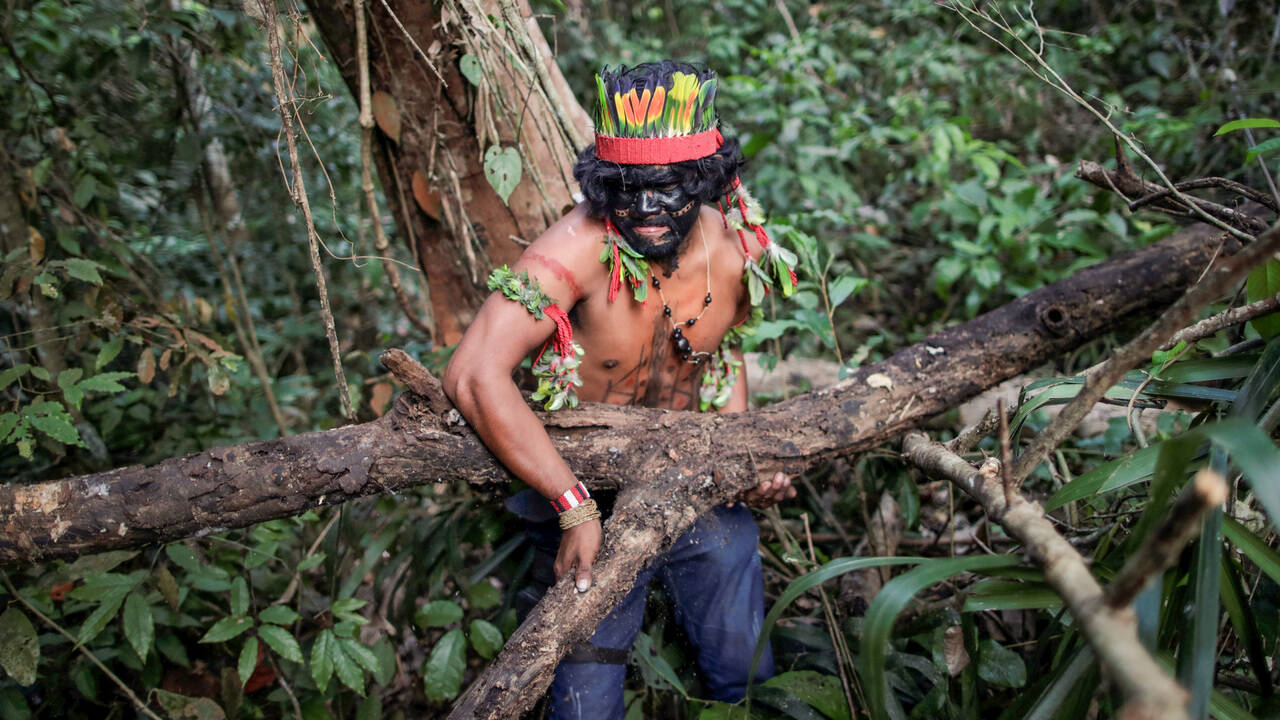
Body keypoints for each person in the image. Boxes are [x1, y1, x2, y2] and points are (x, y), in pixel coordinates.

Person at [442, 60, 800, 719]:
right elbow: (471, 373)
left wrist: (744, 461)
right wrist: (573, 505)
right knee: (586, 695)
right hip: (579, 490)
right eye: (627, 190)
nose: (647, 210)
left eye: (670, 189)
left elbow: (721, 365)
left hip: (689, 483)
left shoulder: (737, 249)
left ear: (705, 182)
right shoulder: (577, 247)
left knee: (745, 673)